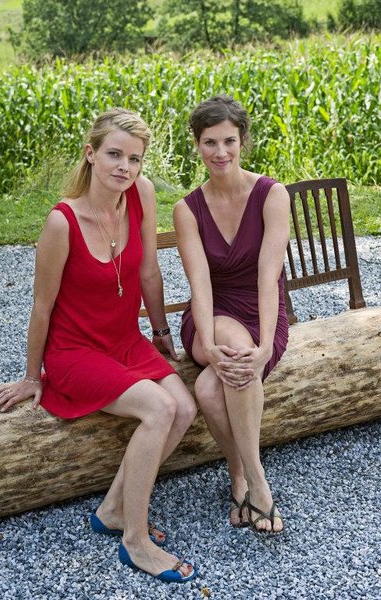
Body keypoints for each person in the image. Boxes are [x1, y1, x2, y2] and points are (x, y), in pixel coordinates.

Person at [0, 108, 198, 582]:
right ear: (90, 153)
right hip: (75, 353)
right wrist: (32, 376)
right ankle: (136, 541)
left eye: (135, 159)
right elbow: (41, 306)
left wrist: (162, 334)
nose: (125, 167)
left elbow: (149, 271)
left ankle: (112, 510)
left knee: (184, 407)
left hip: (125, 340)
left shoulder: (141, 195)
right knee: (160, 409)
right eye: (114, 155)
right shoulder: (62, 222)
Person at [173, 95, 290, 533]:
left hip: (261, 311)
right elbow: (200, 286)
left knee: (208, 390)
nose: (220, 152)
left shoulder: (271, 195)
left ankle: (237, 473)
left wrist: (266, 346)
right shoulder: (187, 209)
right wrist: (206, 344)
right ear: (197, 145)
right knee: (234, 352)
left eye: (228, 141)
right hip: (211, 314)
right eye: (209, 142)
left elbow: (268, 278)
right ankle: (259, 483)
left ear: (243, 142)